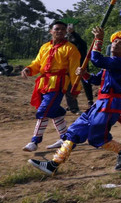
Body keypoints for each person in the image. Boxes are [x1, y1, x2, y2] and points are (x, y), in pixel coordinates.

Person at [28, 29, 121, 175]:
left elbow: (97, 60)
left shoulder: (119, 62)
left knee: (96, 138)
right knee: (74, 132)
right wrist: (85, 75)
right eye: (114, 41)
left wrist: (98, 40)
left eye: (120, 43)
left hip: (111, 104)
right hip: (100, 104)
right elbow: (96, 80)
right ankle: (53, 164)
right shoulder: (110, 64)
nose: (116, 44)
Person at [21, 20, 81, 152]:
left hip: (58, 83)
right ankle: (66, 139)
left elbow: (74, 70)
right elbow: (37, 63)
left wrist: (75, 88)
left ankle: (35, 141)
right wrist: (28, 69)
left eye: (62, 29)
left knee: (44, 110)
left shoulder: (71, 48)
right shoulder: (44, 47)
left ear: (66, 32)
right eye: (57, 29)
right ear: (51, 31)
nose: (60, 31)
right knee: (53, 111)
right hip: (43, 83)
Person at [65, 23, 92, 113]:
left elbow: (80, 42)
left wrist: (73, 33)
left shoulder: (80, 42)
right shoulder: (67, 44)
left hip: (81, 64)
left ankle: (90, 100)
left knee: (86, 82)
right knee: (69, 85)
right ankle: (71, 104)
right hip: (70, 66)